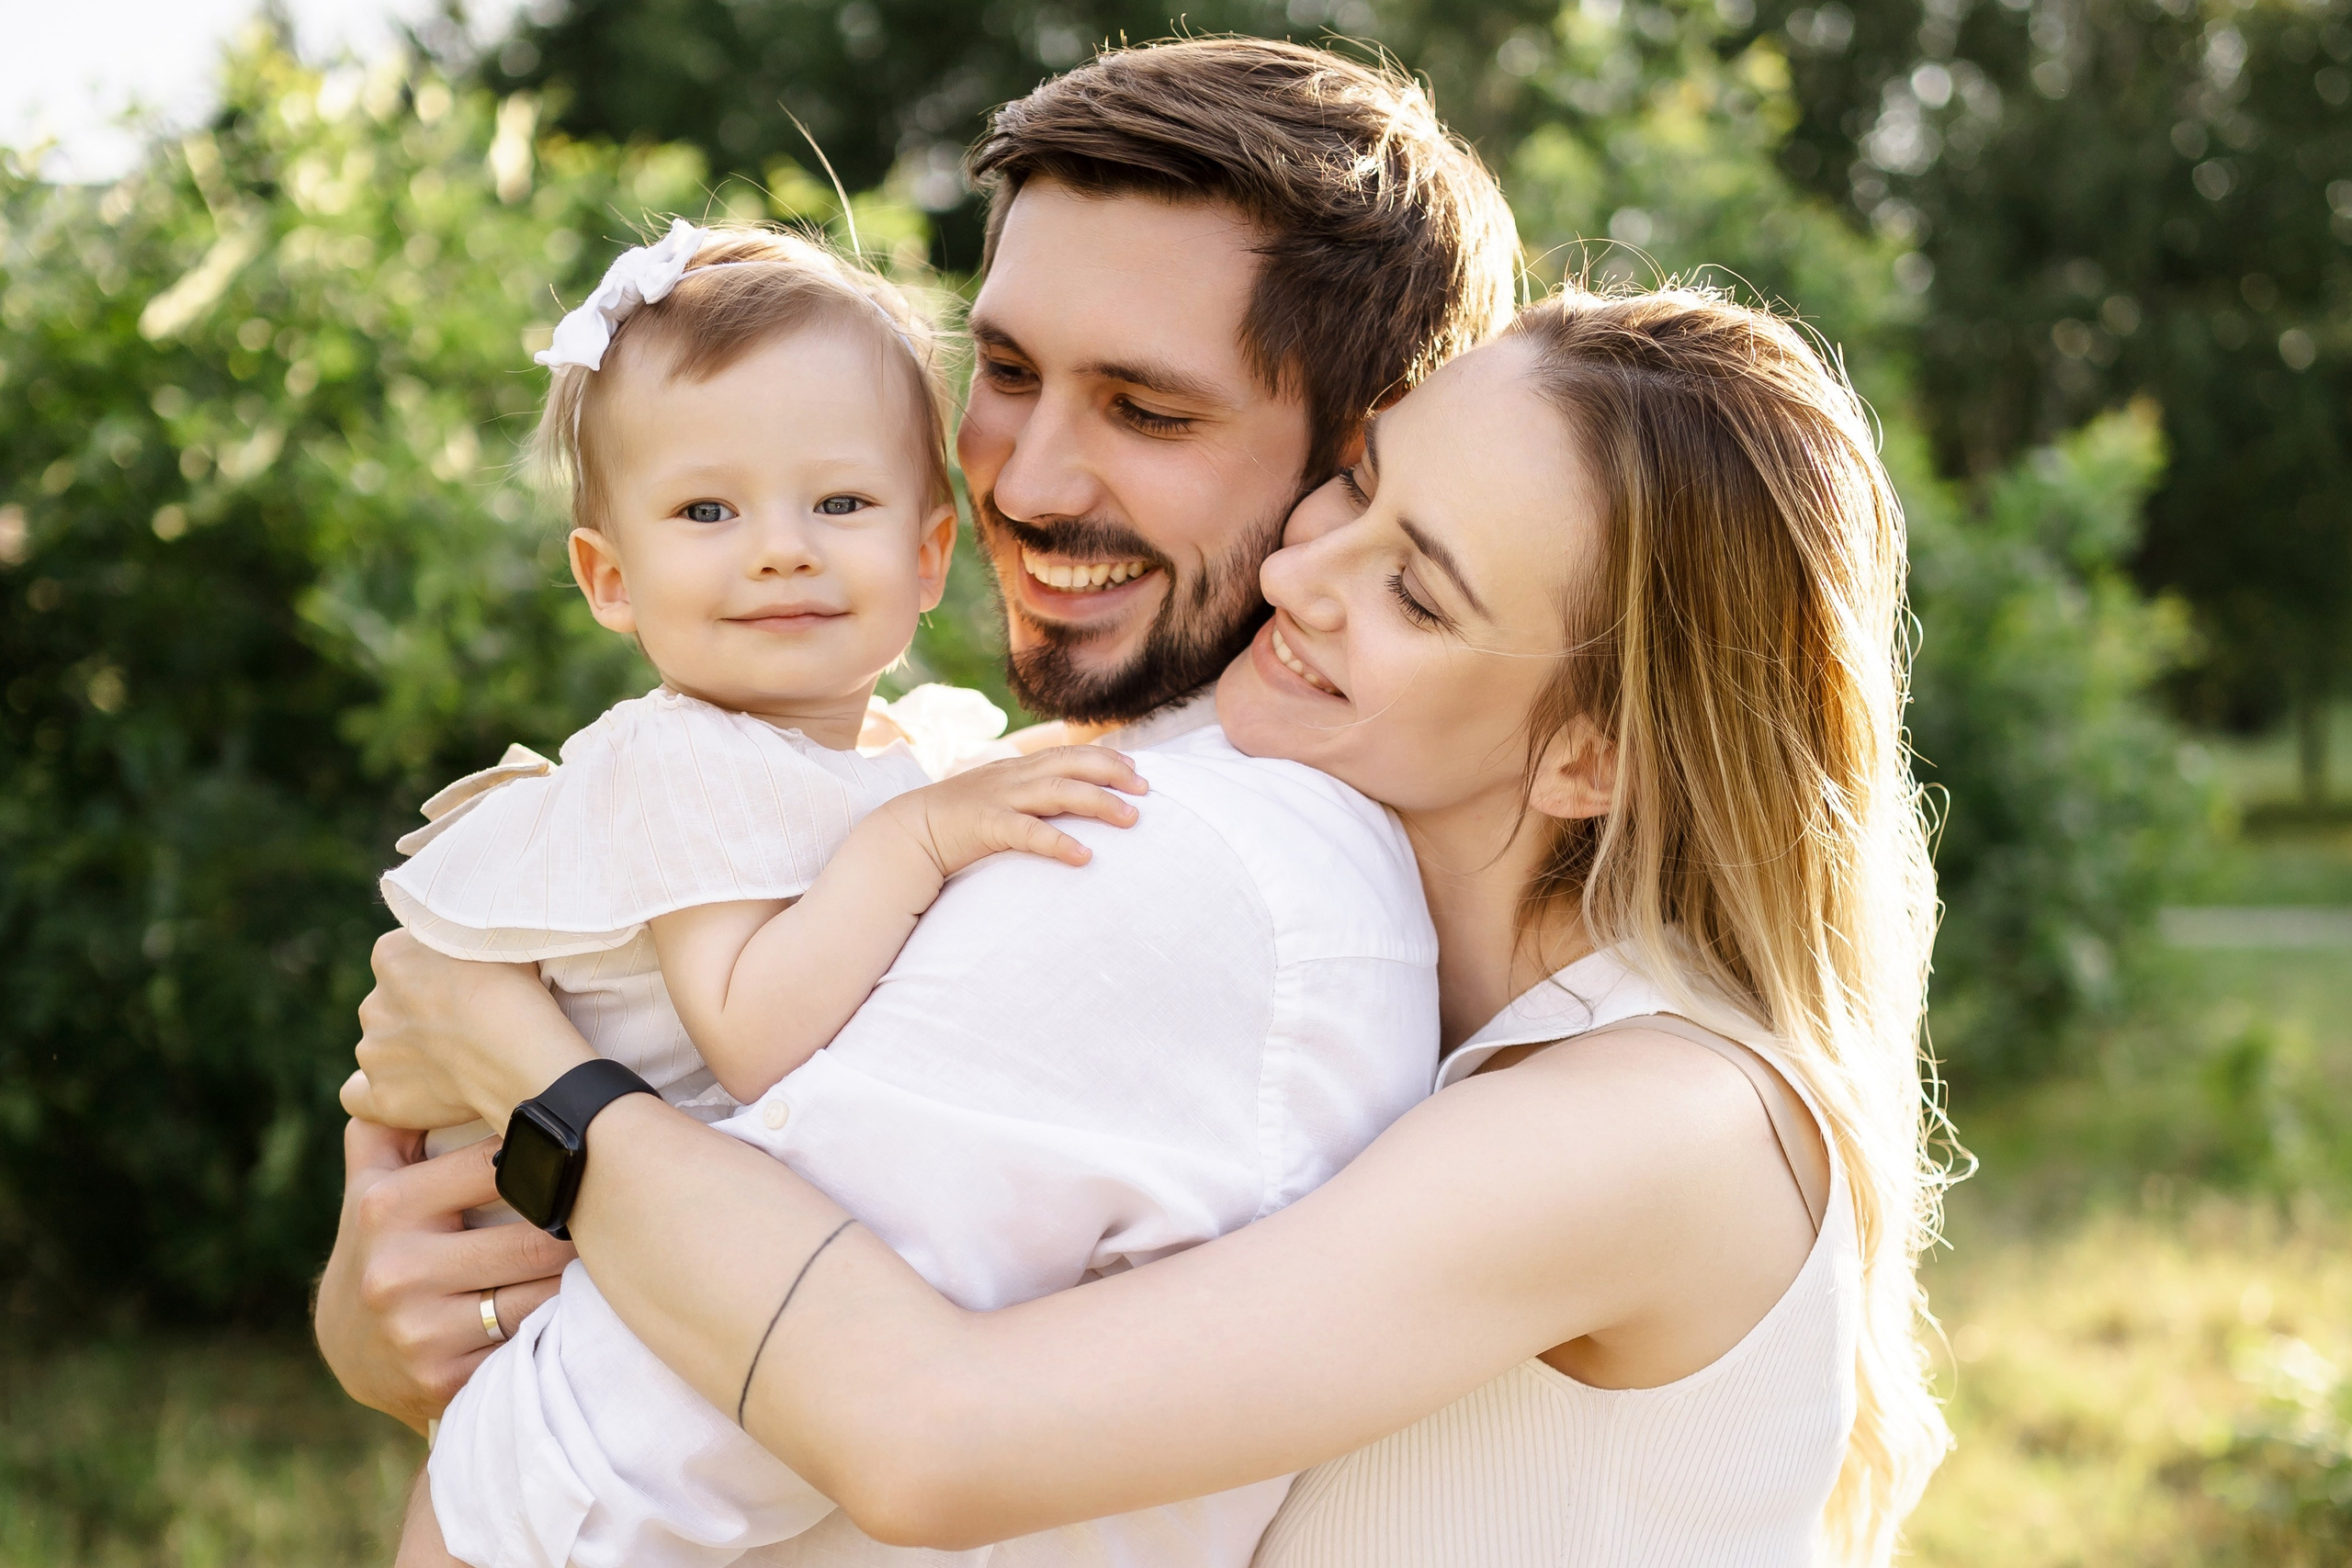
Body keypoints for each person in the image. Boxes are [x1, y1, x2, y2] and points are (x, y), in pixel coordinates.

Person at [354, 286, 1953, 1567]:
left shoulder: (1652, 1120)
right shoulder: (1356, 968)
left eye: (1418, 590)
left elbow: (930, 1434)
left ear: (1591, 752)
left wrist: (522, 1064)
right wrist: (392, 1310)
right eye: (1357, 489)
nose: (1307, 569)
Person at [319, 35, 1520, 1568]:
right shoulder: (1021, 777)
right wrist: (396, 1307)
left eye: (1148, 411)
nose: (1026, 477)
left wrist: (519, 1076)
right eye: (1007, 373)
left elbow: (618, 1462)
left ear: (1363, 460)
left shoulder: (1164, 863)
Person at [380, 219, 1144, 1213]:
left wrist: (1117, 740)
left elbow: (970, 786)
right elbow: (749, 1036)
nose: (782, 549)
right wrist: (916, 840)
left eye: (838, 503)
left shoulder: (891, 746)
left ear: (926, 555)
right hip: (575, 1242)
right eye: (707, 512)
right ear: (610, 579)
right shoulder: (683, 763)